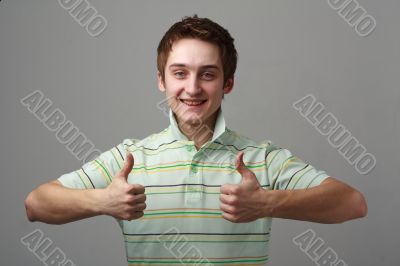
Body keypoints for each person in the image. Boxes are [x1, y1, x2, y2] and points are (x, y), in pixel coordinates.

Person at [24, 15, 367, 265]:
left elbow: (352, 204)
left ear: (227, 83)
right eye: (179, 73)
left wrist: (267, 203)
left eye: (207, 74)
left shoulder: (261, 158)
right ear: (161, 80)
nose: (192, 88)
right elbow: (36, 205)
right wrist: (101, 201)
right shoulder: (130, 158)